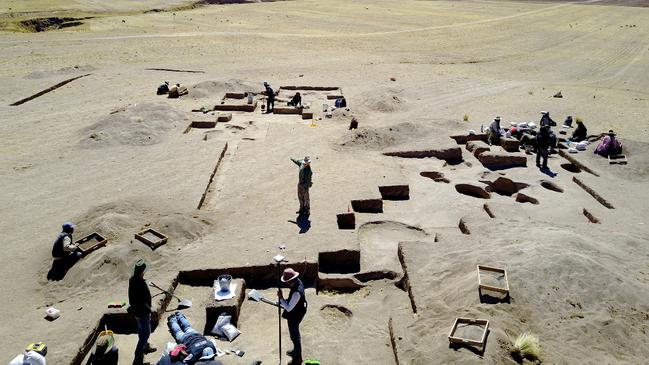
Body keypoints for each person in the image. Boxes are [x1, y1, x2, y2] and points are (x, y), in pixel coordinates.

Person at [128, 259, 156, 365]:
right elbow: (141, 301)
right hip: (142, 312)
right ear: (142, 271)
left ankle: (145, 347)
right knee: (145, 333)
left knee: (141, 331)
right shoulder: (139, 282)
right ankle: (138, 357)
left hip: (137, 312)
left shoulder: (133, 279)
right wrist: (149, 310)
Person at [277, 268, 308, 365]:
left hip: (296, 314)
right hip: (297, 309)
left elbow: (289, 308)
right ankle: (295, 350)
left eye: (287, 281)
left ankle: (297, 358)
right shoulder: (297, 282)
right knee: (293, 334)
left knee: (295, 336)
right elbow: (291, 302)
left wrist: (281, 298)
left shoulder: (296, 292)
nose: (286, 283)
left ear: (291, 280)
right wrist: (282, 301)